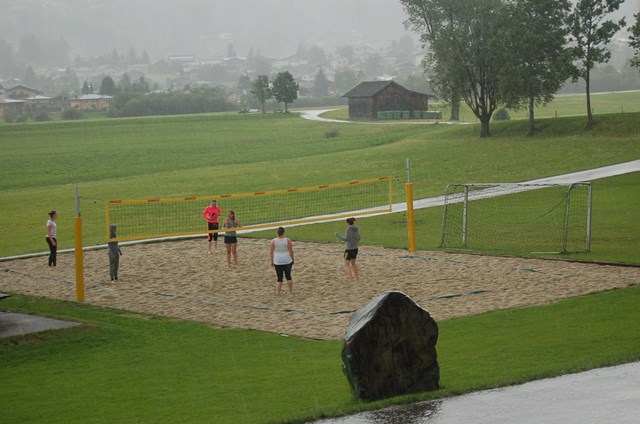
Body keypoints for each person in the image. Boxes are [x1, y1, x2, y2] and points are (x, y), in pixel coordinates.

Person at [270, 227, 295, 294]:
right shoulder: (288, 240)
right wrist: (292, 259)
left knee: (279, 277)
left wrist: (272, 261)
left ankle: (278, 292)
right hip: (287, 260)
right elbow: (291, 251)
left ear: (277, 233)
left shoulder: (273, 241)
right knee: (288, 276)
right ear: (283, 232)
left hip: (278, 261)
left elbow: (271, 252)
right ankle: (290, 292)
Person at [335, 217, 361, 281]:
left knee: (346, 265)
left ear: (348, 223)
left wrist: (337, 235)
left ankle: (350, 279)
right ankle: (357, 278)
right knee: (354, 264)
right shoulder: (357, 228)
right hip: (355, 249)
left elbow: (346, 239)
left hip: (349, 249)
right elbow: (359, 238)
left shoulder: (348, 229)